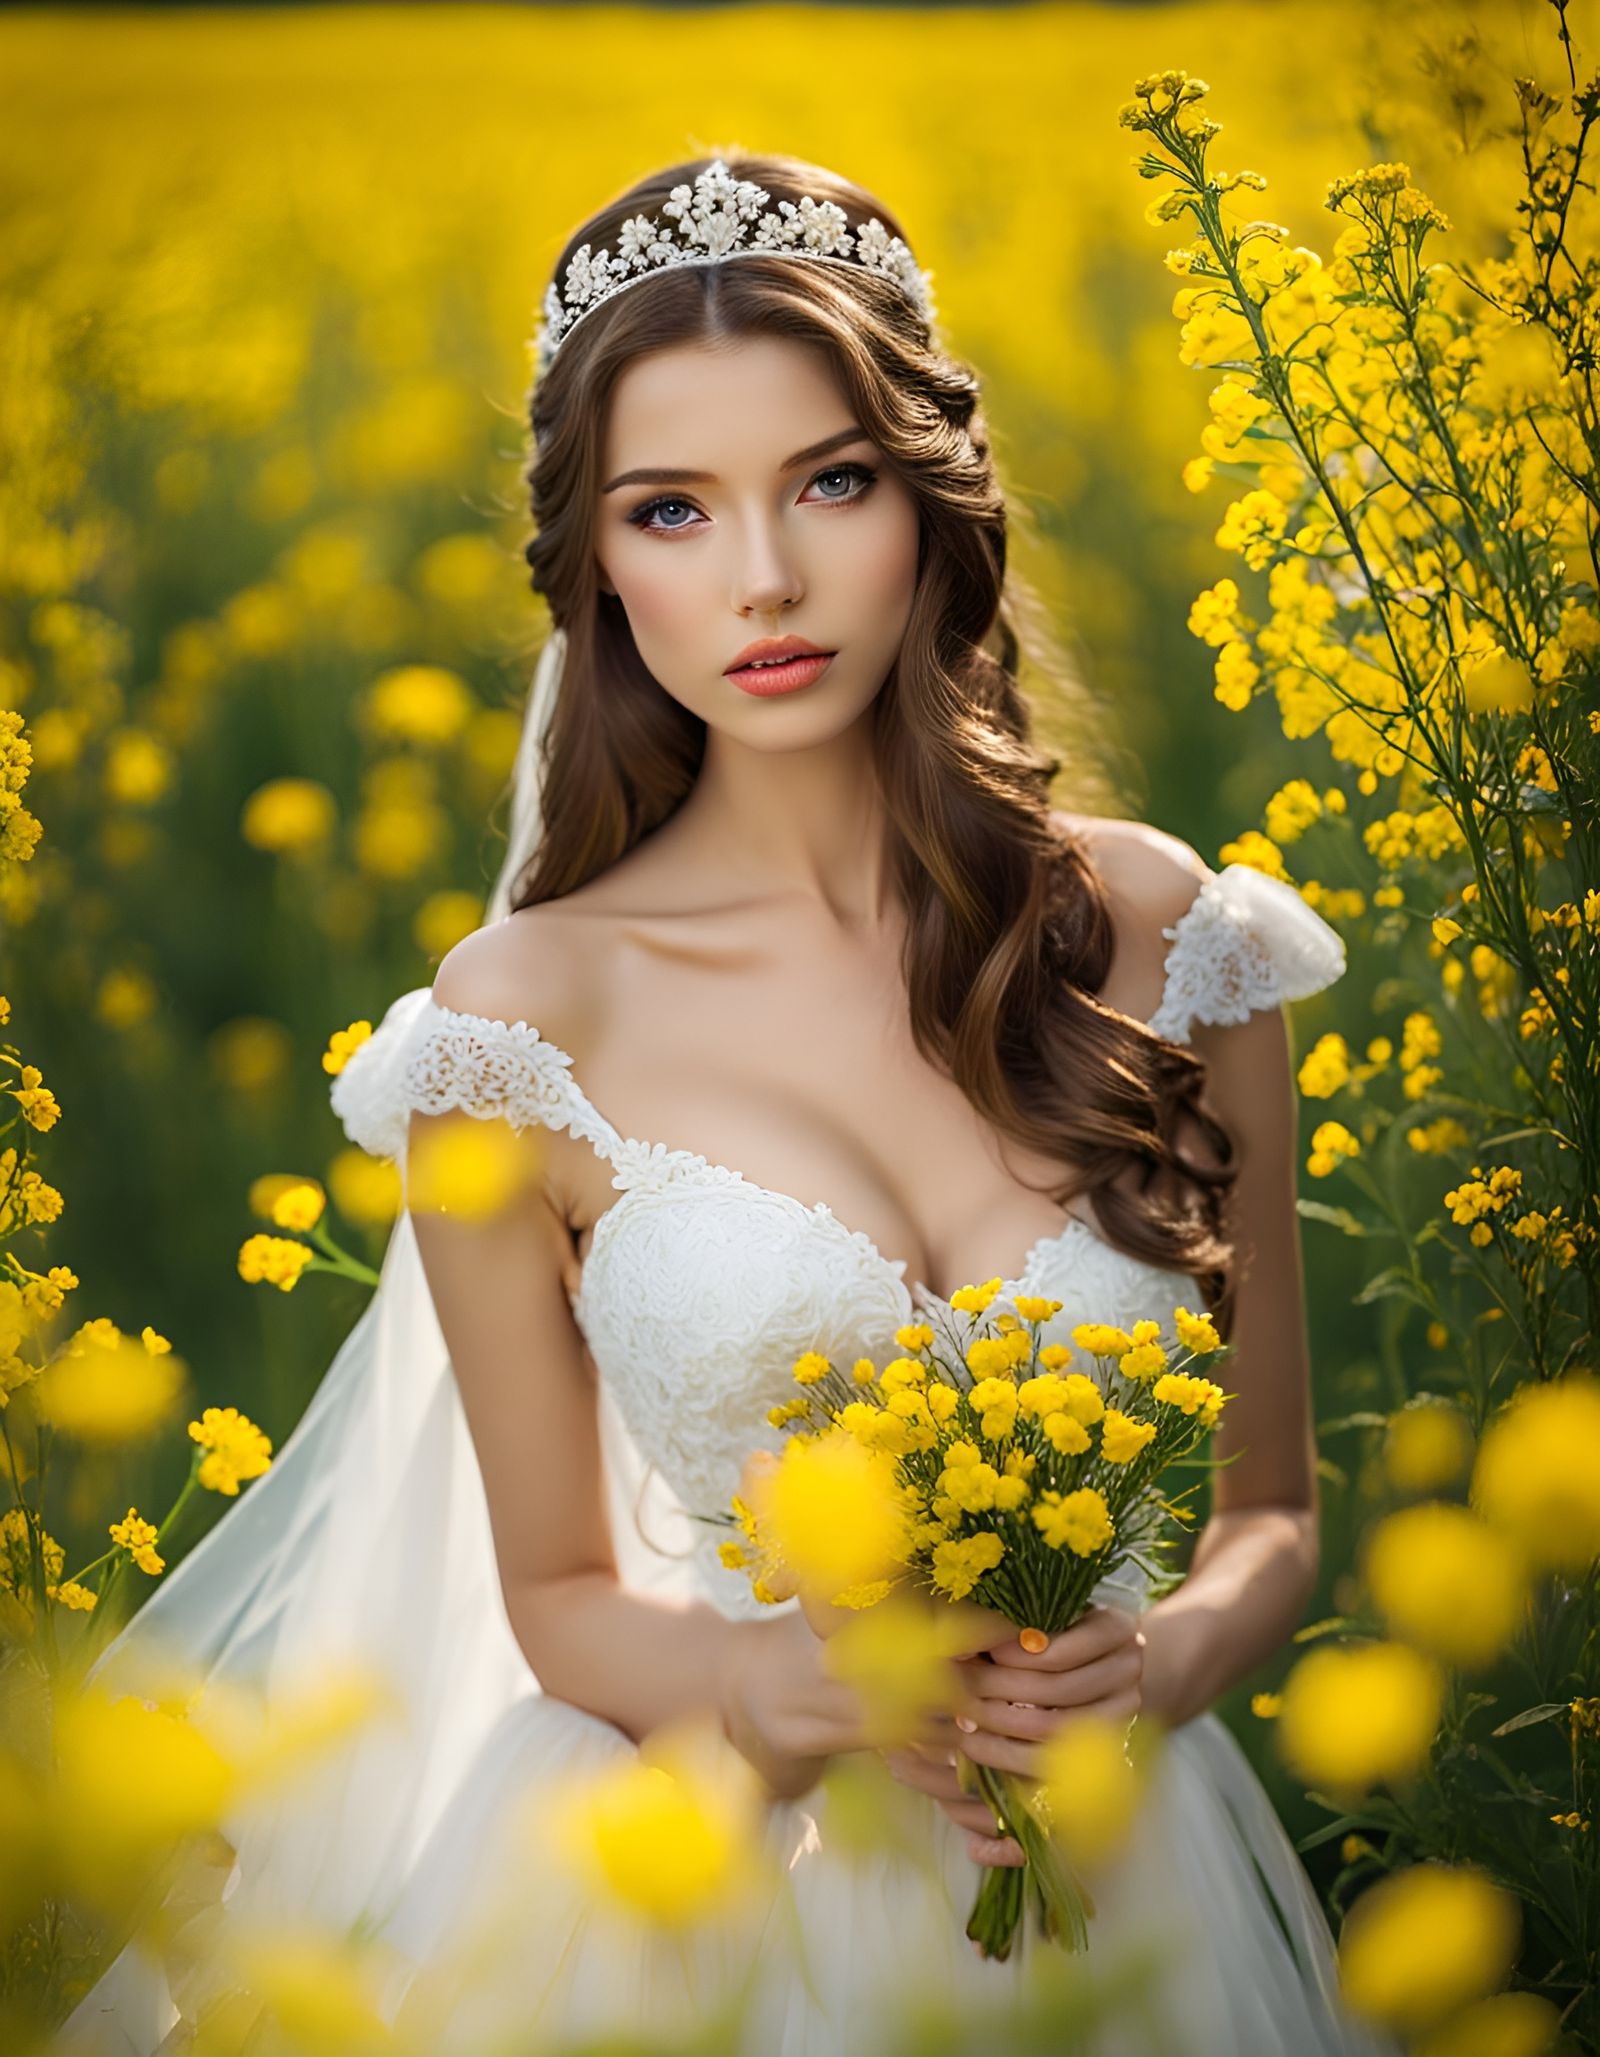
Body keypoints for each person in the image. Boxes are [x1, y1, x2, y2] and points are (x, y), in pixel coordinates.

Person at [63, 153, 1391, 2056]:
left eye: (830, 481)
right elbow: (553, 1594)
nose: (762, 577)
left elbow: (1271, 1509)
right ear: (597, 561)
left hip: (1125, 1872)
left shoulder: (1174, 938)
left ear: (930, 505)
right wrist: (759, 1685)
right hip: (717, 1888)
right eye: (673, 508)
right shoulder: (516, 1025)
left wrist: (1158, 1659)